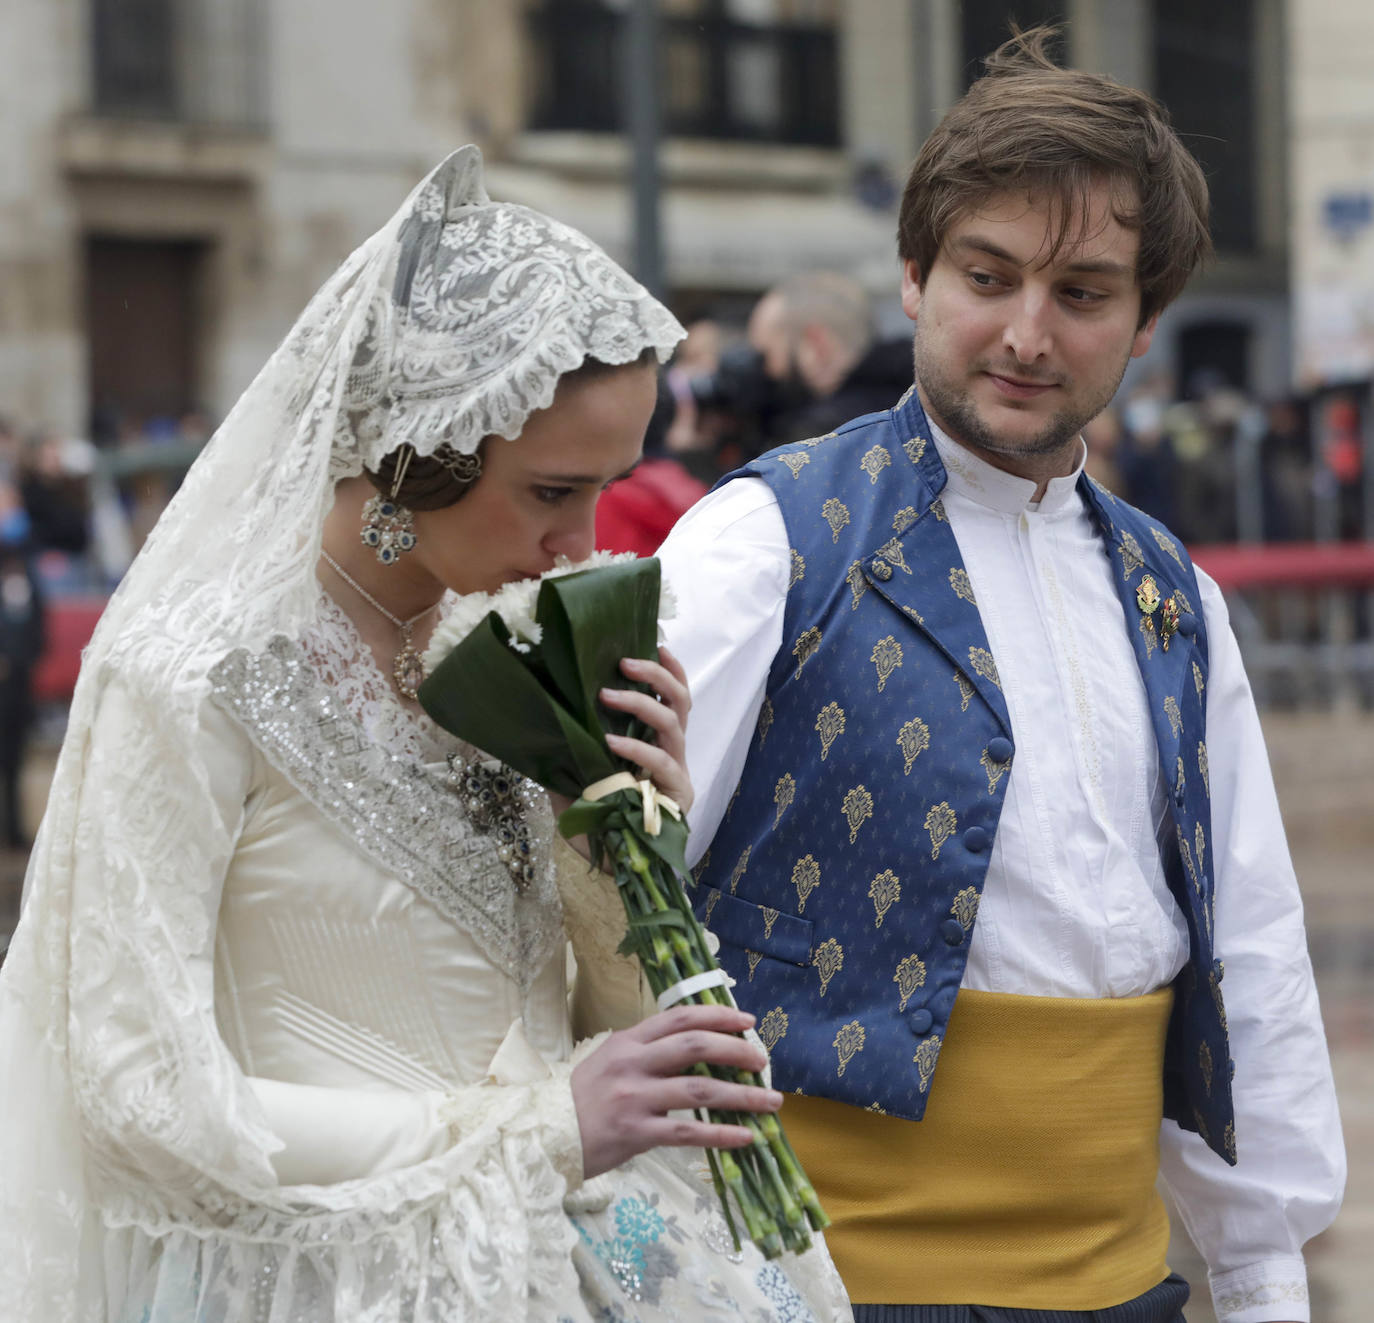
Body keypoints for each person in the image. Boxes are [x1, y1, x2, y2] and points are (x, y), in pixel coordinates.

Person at [0, 148, 850, 1323]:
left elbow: (608, 1032)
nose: (583, 540)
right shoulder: (192, 680)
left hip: (569, 1261)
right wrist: (541, 1128)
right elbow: (135, 1092)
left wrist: (616, 832)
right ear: (417, 454)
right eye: (553, 492)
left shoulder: (504, 655)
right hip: (317, 1280)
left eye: (607, 487)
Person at [657, 28, 1343, 1323]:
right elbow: (601, 906)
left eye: (1081, 292)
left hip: (1121, 1288)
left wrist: (1259, 1278)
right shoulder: (763, 540)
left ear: (1142, 325)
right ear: (912, 276)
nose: (1026, 333)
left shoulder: (1173, 597)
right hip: (808, 1288)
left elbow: (1245, 956)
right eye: (989, 274)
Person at [746, 272, 914, 446]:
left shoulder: (816, 440)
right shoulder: (917, 408)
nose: (763, 371)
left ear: (817, 346)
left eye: (765, 356)